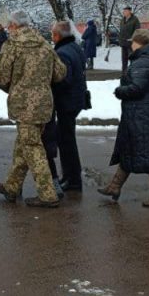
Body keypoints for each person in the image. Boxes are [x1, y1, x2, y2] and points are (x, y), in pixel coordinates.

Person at [0, 10, 67, 208]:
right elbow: (60, 72)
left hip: (23, 105)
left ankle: (47, 194)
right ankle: (11, 187)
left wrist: (14, 88)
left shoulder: (12, 45)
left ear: (14, 26)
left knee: (32, 148)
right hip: (44, 105)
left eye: (9, 26)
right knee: (23, 145)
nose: (8, 29)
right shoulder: (44, 44)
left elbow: (1, 76)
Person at [98, 29, 149, 207]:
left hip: (141, 115)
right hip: (144, 114)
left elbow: (137, 88)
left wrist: (119, 91)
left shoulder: (142, 62)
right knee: (130, 150)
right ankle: (114, 186)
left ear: (140, 43)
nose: (131, 44)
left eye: (133, 41)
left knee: (148, 154)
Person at [50, 20, 88, 193]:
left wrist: (51, 87)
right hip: (75, 99)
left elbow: (64, 80)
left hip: (67, 102)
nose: (52, 37)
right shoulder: (74, 47)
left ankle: (72, 179)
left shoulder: (62, 53)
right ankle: (71, 177)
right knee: (67, 139)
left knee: (66, 142)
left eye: (52, 34)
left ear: (58, 36)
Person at [118, 6, 139, 72]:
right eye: (123, 11)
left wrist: (133, 38)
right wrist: (120, 39)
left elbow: (137, 30)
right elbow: (121, 31)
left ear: (130, 11)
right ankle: (124, 74)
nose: (124, 12)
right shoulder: (122, 20)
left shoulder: (134, 19)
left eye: (125, 11)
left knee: (132, 59)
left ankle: (132, 73)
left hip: (131, 43)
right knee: (124, 60)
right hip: (123, 43)